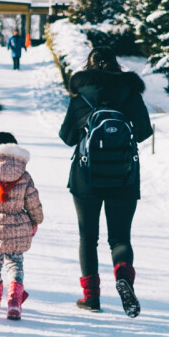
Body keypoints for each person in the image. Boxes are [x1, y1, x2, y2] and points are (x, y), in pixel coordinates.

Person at [59, 46, 152, 318]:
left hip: (85, 177)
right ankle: (123, 275)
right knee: (120, 237)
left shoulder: (81, 96)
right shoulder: (130, 92)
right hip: (124, 176)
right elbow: (144, 132)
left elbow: (67, 137)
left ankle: (91, 297)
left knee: (88, 238)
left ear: (88, 65)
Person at [0, 131, 44, 321]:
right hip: (18, 225)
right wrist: (36, 220)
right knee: (15, 263)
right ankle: (14, 300)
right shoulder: (23, 172)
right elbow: (32, 201)